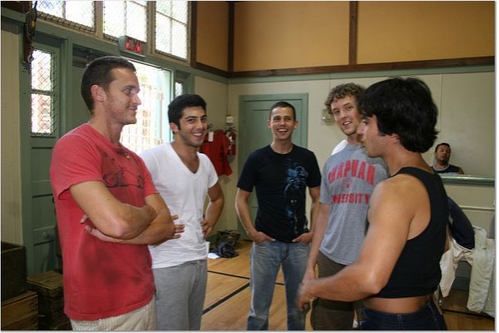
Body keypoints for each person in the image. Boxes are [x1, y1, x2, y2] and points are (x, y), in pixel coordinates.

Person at [297, 77, 449, 330]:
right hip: (425, 315)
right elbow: (442, 243)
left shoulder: (394, 189)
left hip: (394, 322)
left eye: (367, 121)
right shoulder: (429, 178)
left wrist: (312, 287)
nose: (362, 130)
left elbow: (368, 280)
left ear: (391, 127)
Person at [50, 56, 177, 330]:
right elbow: (117, 223)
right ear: (99, 94)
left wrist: (123, 235)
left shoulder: (134, 159)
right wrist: (147, 212)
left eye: (138, 92)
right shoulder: (74, 147)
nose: (138, 100)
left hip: (143, 296)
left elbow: (165, 227)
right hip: (101, 309)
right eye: (128, 91)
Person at [302, 83, 388, 330]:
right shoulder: (332, 162)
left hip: (370, 259)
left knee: (374, 324)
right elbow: (324, 214)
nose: (342, 116)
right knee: (328, 325)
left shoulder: (383, 157)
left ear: (363, 109)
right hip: (331, 258)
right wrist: (311, 264)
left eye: (348, 108)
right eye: (336, 111)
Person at [140, 94, 224, 330]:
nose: (200, 126)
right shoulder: (153, 158)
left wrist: (209, 222)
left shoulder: (205, 162)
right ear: (174, 126)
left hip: (198, 258)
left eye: (203, 119)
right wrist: (154, 230)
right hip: (167, 263)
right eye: (191, 120)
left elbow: (217, 199)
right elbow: (129, 201)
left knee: (192, 326)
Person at [235, 101, 322, 330]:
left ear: (295, 124)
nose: (282, 123)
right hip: (266, 246)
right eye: (277, 118)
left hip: (298, 246)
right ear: (269, 123)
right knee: (259, 311)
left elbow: (318, 199)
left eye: (287, 119)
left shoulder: (307, 158)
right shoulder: (257, 158)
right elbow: (240, 198)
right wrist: (251, 232)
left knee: (299, 308)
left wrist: (312, 231)